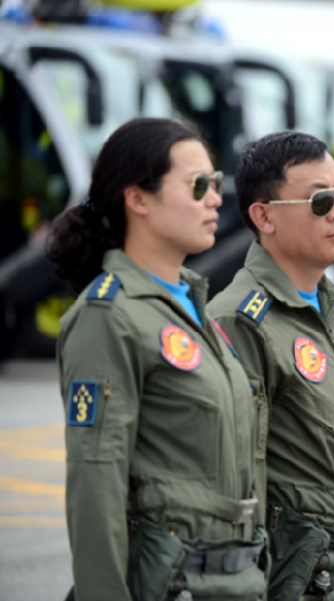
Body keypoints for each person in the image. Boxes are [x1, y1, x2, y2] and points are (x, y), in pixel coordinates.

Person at [47, 118, 266, 601]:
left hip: (234, 582)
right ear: (138, 198)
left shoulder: (194, 307)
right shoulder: (110, 316)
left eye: (216, 184)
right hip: (170, 585)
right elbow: (95, 479)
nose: (215, 199)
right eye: (198, 186)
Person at [207, 132, 334, 601]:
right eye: (319, 200)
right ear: (263, 216)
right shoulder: (239, 318)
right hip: (299, 576)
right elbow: (235, 478)